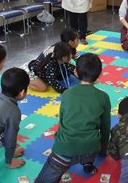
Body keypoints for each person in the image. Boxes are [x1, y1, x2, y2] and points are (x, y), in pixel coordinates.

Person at [35, 53, 111, 183]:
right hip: (90, 148)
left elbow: (63, 120)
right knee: (90, 146)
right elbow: (105, 128)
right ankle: (87, 163)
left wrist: (59, 137)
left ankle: (83, 161)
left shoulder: (67, 93)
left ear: (75, 72)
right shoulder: (103, 97)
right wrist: (103, 151)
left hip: (64, 150)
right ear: (99, 75)